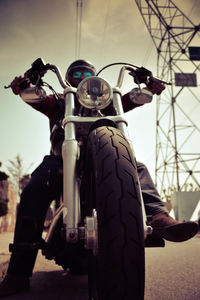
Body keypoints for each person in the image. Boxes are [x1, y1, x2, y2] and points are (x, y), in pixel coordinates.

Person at [0, 60, 198, 298]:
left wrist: (149, 86)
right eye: (77, 73)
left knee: (138, 166)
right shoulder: (60, 102)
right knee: (35, 186)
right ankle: (18, 274)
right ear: (69, 78)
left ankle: (159, 216)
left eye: (87, 73)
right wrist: (24, 85)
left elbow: (129, 100)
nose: (82, 77)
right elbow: (39, 98)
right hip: (62, 159)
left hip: (105, 158)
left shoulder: (108, 104)